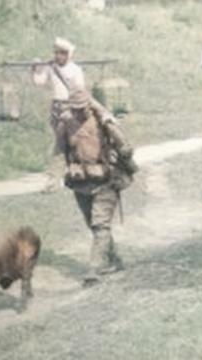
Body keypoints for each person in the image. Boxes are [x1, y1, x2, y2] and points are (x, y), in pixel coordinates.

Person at [60, 89, 137, 286]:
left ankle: (93, 269)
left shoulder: (103, 122)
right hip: (80, 183)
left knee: (100, 225)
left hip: (105, 181)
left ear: (90, 105)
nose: (78, 112)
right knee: (93, 226)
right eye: (74, 108)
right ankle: (114, 260)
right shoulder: (66, 124)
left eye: (82, 108)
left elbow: (126, 148)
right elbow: (60, 150)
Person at [32, 37, 87, 192]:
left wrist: (72, 110)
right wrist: (36, 68)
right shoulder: (51, 68)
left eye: (62, 53)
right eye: (57, 53)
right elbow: (39, 82)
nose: (59, 56)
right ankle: (60, 178)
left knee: (64, 143)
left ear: (69, 54)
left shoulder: (75, 69)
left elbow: (79, 91)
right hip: (56, 108)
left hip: (71, 108)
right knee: (61, 142)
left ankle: (57, 180)